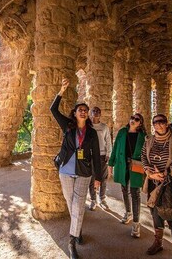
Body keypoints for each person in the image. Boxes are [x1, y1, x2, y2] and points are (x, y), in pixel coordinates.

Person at [50, 78, 102, 259]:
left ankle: (71, 242)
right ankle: (77, 231)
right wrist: (61, 90)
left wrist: (98, 178)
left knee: (78, 207)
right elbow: (53, 110)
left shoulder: (92, 132)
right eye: (80, 109)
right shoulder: (68, 126)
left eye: (86, 110)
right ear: (75, 113)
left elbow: (96, 155)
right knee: (71, 205)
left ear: (87, 115)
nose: (84, 111)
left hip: (84, 173)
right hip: (65, 170)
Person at [142, 114, 172, 259]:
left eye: (162, 121)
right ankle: (158, 242)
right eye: (156, 122)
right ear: (153, 124)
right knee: (155, 213)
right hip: (153, 184)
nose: (159, 124)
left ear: (167, 124)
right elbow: (144, 158)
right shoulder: (148, 140)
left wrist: (166, 173)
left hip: (170, 185)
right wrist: (149, 172)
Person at [108, 113, 146, 237]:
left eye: (136, 119)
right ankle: (128, 212)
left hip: (136, 166)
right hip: (122, 164)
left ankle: (136, 223)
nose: (133, 120)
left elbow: (146, 153)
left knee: (135, 193)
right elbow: (115, 149)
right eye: (132, 118)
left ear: (140, 123)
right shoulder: (122, 132)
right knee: (124, 189)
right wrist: (110, 164)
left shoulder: (143, 136)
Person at [88, 106, 112, 211]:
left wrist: (108, 154)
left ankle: (102, 199)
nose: (96, 113)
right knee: (91, 178)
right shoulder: (88, 127)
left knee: (103, 178)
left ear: (100, 114)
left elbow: (108, 141)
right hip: (91, 155)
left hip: (102, 155)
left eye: (98, 111)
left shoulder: (104, 127)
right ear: (90, 113)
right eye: (94, 111)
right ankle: (93, 200)